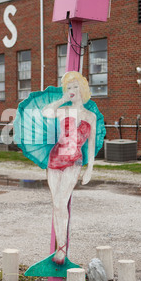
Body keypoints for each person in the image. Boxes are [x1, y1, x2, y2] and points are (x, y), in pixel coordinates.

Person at [42, 71, 96, 264]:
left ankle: (61, 249)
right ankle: (60, 248)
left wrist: (90, 168)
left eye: (75, 87)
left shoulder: (90, 116)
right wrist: (61, 99)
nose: (72, 91)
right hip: (55, 159)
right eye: (68, 88)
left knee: (61, 203)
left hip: (74, 161)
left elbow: (90, 144)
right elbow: (46, 112)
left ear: (82, 89)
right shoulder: (63, 110)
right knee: (56, 204)